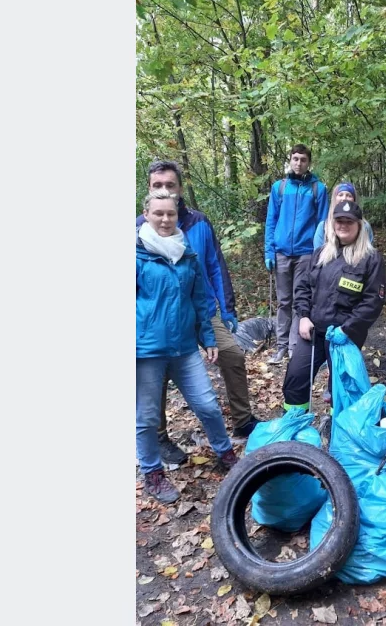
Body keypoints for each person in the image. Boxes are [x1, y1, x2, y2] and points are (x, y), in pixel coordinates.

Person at [138, 161, 260, 469]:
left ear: (180, 188)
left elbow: (215, 265)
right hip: (154, 327)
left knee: (232, 353)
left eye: (170, 184)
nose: (165, 190)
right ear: (150, 190)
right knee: (155, 374)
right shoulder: (137, 230)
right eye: (158, 185)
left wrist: (227, 307)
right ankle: (160, 436)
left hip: (201, 312)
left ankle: (242, 420)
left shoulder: (199, 223)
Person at [136, 190, 238, 504]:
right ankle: (152, 472)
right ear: (147, 215)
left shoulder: (187, 253)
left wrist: (207, 337)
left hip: (183, 348)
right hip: (147, 350)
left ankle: (226, 454)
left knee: (207, 404)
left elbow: (198, 300)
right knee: (147, 417)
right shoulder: (135, 254)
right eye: (159, 214)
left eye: (171, 214)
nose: (165, 219)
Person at [281, 198, 386, 412]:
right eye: (339, 220)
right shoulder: (320, 254)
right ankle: (293, 426)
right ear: (332, 223)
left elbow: (372, 301)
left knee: (340, 388)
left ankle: (336, 429)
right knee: (295, 378)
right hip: (314, 332)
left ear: (359, 225)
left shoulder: (371, 259)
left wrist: (347, 329)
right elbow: (302, 289)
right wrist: (303, 316)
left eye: (349, 221)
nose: (343, 225)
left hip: (344, 335)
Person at [264, 144, 329, 364]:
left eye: (303, 159)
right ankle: (281, 345)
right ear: (290, 161)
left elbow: (323, 224)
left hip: (306, 253)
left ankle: (294, 346)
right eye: (295, 159)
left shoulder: (317, 189)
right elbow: (271, 220)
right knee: (283, 301)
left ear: (309, 162)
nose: (298, 163)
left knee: (299, 301)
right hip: (282, 251)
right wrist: (269, 250)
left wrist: (320, 253)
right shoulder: (279, 187)